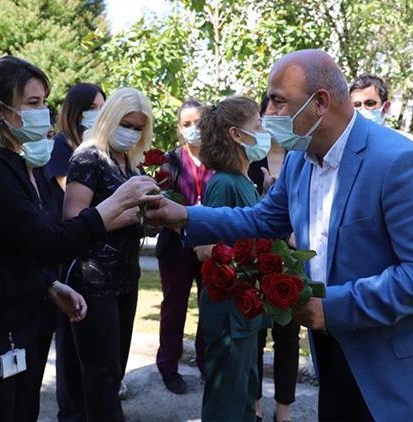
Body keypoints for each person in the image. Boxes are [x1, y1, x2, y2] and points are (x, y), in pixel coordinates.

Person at [146, 49, 413, 421]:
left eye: (278, 102)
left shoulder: (400, 163)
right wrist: (184, 216)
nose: (269, 115)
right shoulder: (300, 159)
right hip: (335, 355)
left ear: (320, 104)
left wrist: (331, 308)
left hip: (407, 372)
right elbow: (262, 219)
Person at [0, 57, 158, 422]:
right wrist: (114, 205)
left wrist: (48, 285)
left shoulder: (13, 163)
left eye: (45, 102)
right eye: (33, 103)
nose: (45, 113)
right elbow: (44, 240)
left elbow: (14, 245)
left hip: (20, 322)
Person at [63, 87, 153, 421]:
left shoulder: (128, 162)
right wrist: (131, 215)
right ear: (110, 119)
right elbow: (72, 220)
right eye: (126, 124)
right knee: (100, 376)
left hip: (126, 278)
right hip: (93, 279)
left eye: (138, 127)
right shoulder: (89, 157)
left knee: (113, 372)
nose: (131, 132)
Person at [193, 96, 270, 421]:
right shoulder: (223, 183)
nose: (265, 131)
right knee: (227, 403)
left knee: (244, 396)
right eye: (258, 125)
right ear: (237, 135)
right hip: (229, 314)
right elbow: (204, 248)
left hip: (246, 311)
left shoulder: (244, 181)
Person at [46, 82, 106, 422]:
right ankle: (71, 411)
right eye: (93, 106)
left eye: (103, 105)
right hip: (67, 252)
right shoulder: (61, 147)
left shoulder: (97, 148)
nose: (99, 113)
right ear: (76, 111)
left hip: (92, 253)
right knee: (69, 339)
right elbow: (76, 197)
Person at [154, 98, 212, 394]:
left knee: (209, 305)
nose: (193, 129)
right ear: (179, 128)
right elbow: (158, 204)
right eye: (186, 124)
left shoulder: (220, 160)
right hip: (176, 246)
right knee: (174, 308)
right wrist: (190, 230)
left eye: (198, 122)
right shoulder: (171, 160)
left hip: (212, 249)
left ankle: (206, 363)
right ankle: (168, 366)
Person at [248, 94, 298, 422]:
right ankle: (255, 406)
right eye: (269, 114)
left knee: (288, 337)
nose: (275, 118)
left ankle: (284, 410)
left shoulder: (301, 159)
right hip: (254, 259)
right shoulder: (250, 163)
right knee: (255, 336)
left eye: (282, 111)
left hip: (292, 260)